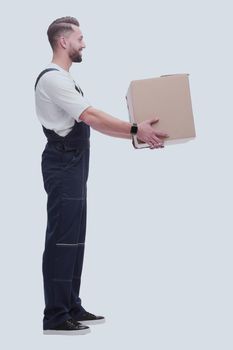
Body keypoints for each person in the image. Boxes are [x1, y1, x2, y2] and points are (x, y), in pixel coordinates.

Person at [34, 16, 169, 336]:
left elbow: (92, 121)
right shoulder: (53, 79)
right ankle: (54, 315)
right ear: (63, 42)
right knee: (61, 238)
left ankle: (70, 304)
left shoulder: (66, 80)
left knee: (75, 238)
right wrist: (136, 130)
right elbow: (91, 117)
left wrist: (139, 137)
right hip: (63, 163)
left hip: (74, 164)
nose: (84, 43)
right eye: (80, 38)